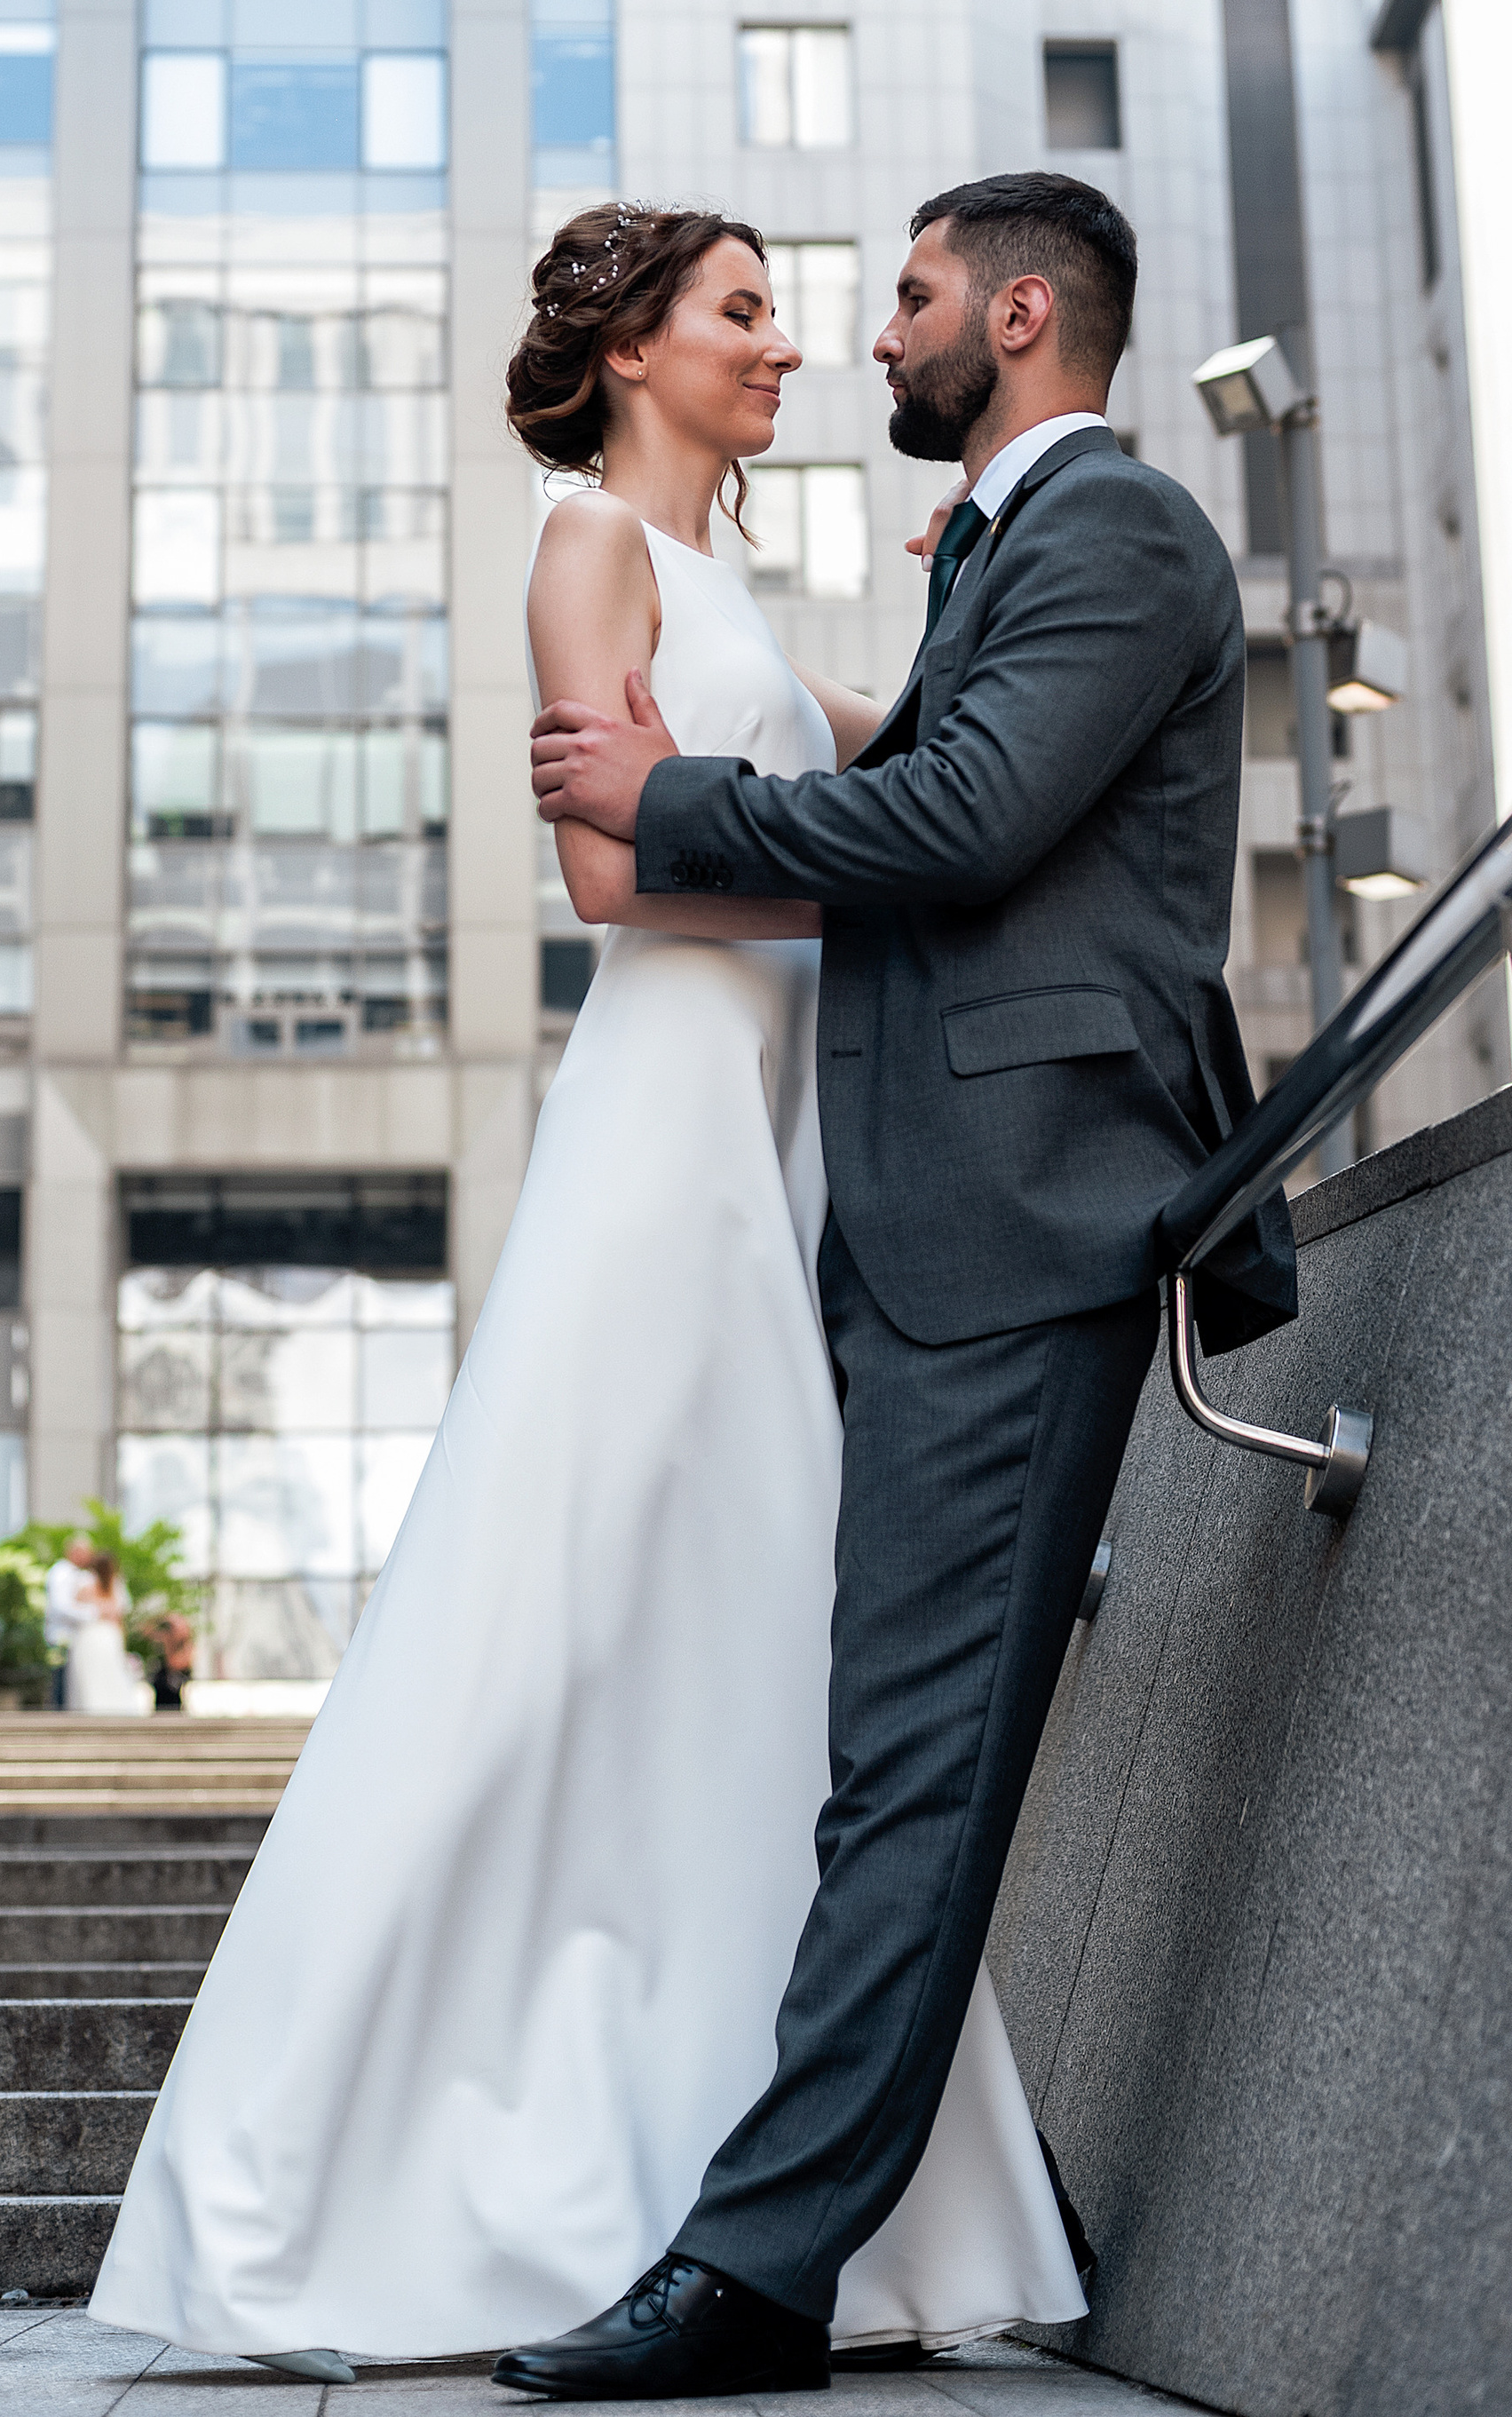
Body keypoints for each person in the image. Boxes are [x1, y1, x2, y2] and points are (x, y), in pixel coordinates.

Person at [89, 202, 1087, 2385]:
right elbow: (619, 873)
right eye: (739, 311)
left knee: (746, 1647)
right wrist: (875, 897)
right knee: (539, 1622)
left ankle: (746, 2189)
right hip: (661, 1142)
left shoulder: (734, 590)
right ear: (631, 350)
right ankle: (318, 2171)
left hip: (776, 1140)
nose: (785, 347)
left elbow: (915, 780)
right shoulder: (585, 550)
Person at [513, 170, 1294, 2400]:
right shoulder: (1000, 546)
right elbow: (935, 760)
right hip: (904, 1208)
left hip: (1012, 1212)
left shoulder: (1115, 532)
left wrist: (676, 798)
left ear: (1021, 313)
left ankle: (759, 2263)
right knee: (879, 1744)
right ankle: (915, 2181)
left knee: (915, 1758)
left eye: (913, 298)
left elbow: (962, 823)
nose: (871, 336)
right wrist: (772, 739)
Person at [65, 1549, 150, 1716]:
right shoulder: (115, 1588)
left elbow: (73, 1613)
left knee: (92, 1678)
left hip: (91, 1637)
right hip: (108, 1636)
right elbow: (120, 1620)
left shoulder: (85, 1588)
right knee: (110, 1674)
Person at [42, 1533, 94, 1712]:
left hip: (78, 1637)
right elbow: (60, 1606)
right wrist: (90, 1615)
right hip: (62, 1634)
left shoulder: (83, 1575)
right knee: (61, 1679)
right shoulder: (61, 1572)